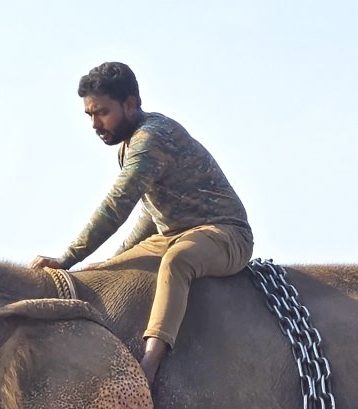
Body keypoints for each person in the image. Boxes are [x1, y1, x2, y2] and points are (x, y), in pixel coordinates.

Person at [30, 62, 254, 387]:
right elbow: (151, 214)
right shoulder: (127, 145)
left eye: (102, 112)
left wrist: (65, 259)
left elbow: (117, 205)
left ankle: (149, 365)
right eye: (90, 115)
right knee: (109, 268)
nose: (95, 123)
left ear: (131, 104)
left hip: (224, 232)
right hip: (172, 233)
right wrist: (116, 258)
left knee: (178, 262)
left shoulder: (151, 139)